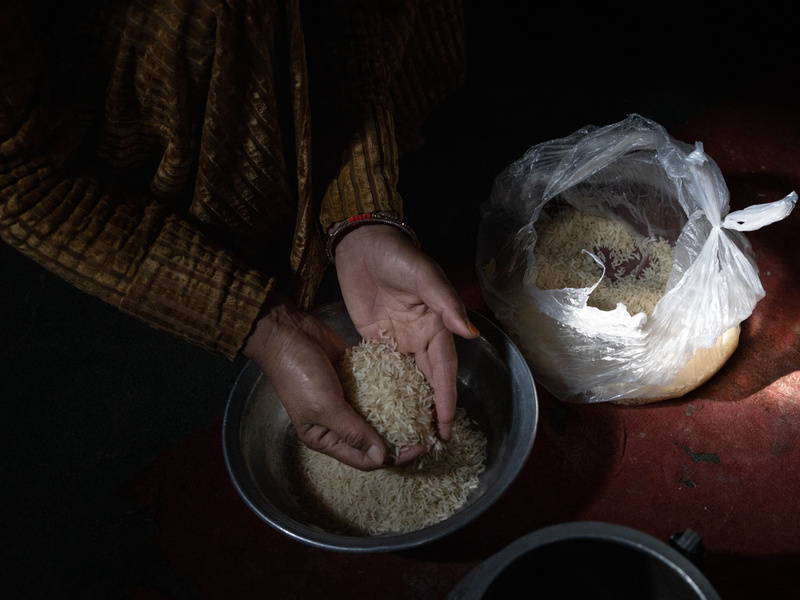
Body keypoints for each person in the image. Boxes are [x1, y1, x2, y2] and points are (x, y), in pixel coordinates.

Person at [0, 0, 478, 470]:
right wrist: (262, 323)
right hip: (152, 171)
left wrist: (361, 216)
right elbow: (19, 180)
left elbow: (339, 16)